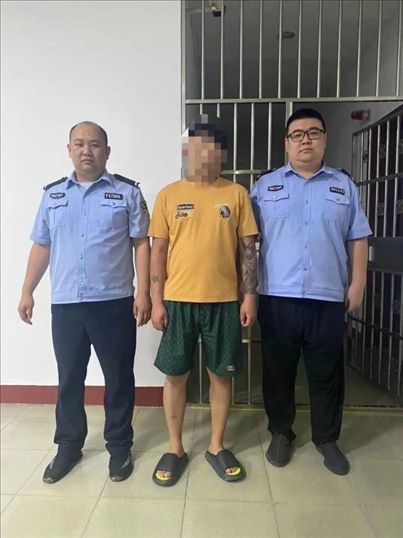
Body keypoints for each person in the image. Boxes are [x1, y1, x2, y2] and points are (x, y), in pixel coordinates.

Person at [17, 121, 151, 484]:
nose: (86, 150)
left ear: (107, 151)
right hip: (66, 305)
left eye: (94, 144)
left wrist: (144, 292)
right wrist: (27, 289)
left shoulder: (127, 192)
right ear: (69, 150)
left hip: (114, 303)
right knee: (69, 379)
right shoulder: (53, 195)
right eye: (79, 144)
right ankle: (68, 446)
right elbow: (41, 244)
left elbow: (141, 243)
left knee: (118, 378)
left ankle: (119, 447)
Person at [251, 108, 372, 476]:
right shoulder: (265, 186)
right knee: (278, 371)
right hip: (277, 296)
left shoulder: (343, 186)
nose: (306, 140)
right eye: (297, 134)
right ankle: (281, 432)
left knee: (327, 373)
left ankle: (327, 438)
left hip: (327, 298)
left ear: (325, 139)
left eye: (313, 133)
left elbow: (358, 238)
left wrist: (357, 284)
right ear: (287, 143)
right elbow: (246, 241)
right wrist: (247, 290)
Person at [148, 114, 258, 486]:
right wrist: (156, 300)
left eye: (211, 147)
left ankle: (216, 445)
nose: (203, 154)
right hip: (177, 302)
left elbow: (248, 250)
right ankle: (175, 448)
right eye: (196, 147)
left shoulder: (236, 194)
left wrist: (249, 296)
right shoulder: (168, 195)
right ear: (187, 152)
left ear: (221, 154)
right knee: (175, 375)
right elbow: (157, 252)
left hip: (224, 302)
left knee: (221, 377)